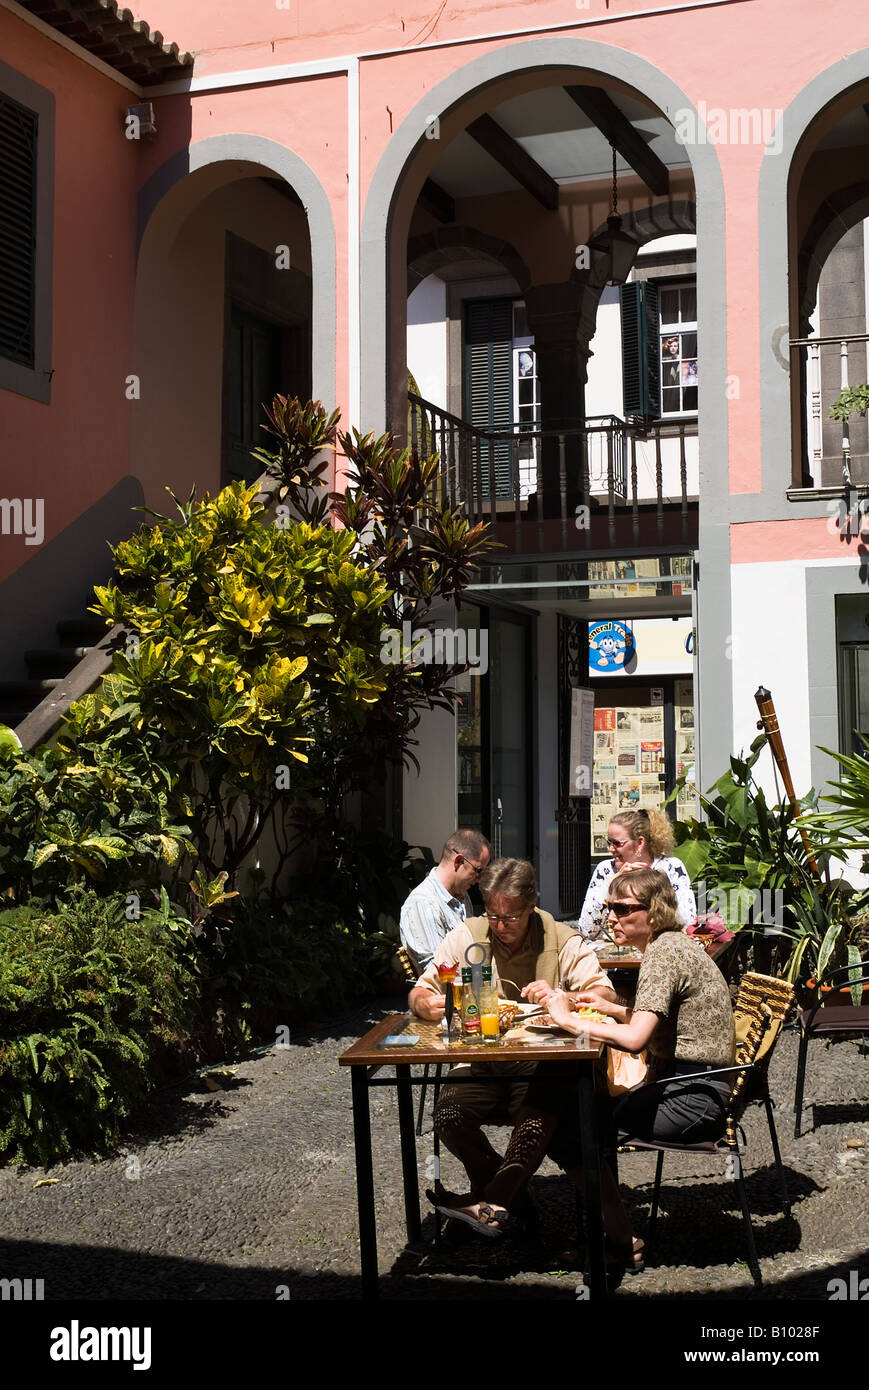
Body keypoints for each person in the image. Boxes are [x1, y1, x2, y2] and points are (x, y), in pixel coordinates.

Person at [409, 857, 616, 1237]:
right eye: (493, 916)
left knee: (538, 1119)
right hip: (479, 1062)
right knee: (449, 1116)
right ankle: (514, 1204)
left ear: (532, 904)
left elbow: (604, 993)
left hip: (539, 1067)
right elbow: (422, 989)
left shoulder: (560, 938)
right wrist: (424, 1002)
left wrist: (564, 996)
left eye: (512, 918)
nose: (501, 927)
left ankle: (493, 1201)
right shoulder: (466, 936)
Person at [545, 867, 736, 1271]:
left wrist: (565, 1019)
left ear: (654, 911)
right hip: (694, 1082)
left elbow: (635, 1039)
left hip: (692, 1097)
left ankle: (617, 1244)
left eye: (621, 908)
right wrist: (607, 1008)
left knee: (573, 1128)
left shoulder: (663, 955)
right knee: (585, 1110)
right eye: (608, 906)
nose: (610, 916)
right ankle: (612, 1236)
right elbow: (653, 1017)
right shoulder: (670, 945)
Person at [577, 807, 696, 939]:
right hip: (614, 956)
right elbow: (586, 931)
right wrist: (610, 886)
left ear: (640, 843)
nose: (611, 849)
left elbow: (687, 922)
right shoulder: (606, 870)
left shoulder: (669, 867)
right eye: (609, 842)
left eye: (617, 843)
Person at [400, 829, 491, 972]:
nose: (479, 879)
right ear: (459, 861)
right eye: (478, 870)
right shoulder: (423, 903)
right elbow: (438, 969)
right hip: (444, 992)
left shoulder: (462, 896)